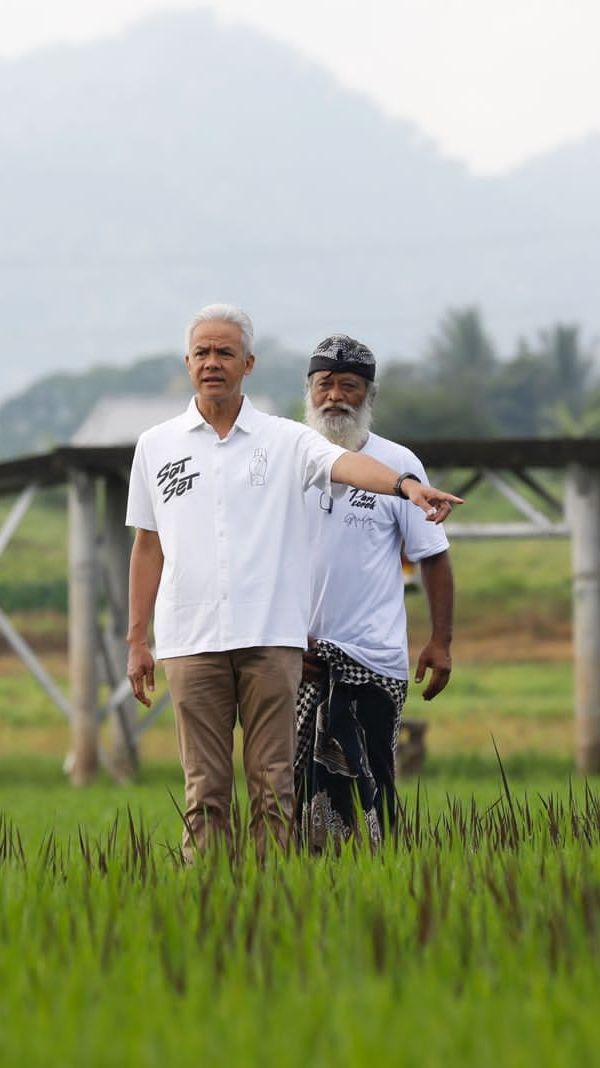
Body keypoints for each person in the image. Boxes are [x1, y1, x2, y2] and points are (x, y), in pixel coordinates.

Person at [125, 307, 461, 858]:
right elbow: (148, 545)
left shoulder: (284, 441)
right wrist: (138, 638)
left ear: (249, 364)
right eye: (202, 353)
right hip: (192, 640)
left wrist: (405, 486)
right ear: (187, 363)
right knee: (205, 791)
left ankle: (275, 900)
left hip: (272, 643)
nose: (213, 363)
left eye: (225, 353)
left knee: (275, 788)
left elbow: (348, 465)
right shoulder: (156, 445)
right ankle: (205, 908)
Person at [295, 334, 455, 849]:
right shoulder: (284, 457)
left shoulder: (398, 463)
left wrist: (441, 641)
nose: (335, 396)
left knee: (373, 791)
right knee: (291, 793)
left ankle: (380, 881)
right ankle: (300, 894)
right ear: (309, 390)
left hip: (374, 659)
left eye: (349, 386)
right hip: (293, 656)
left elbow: (433, 555)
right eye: (325, 384)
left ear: (369, 395)